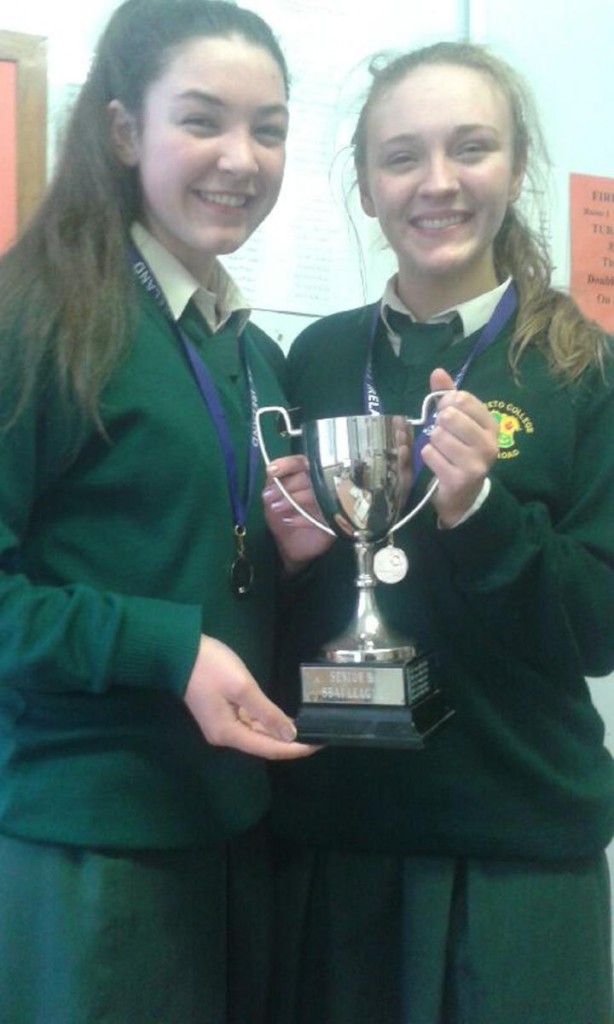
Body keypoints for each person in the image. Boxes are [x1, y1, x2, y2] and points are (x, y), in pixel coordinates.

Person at [263, 41, 614, 1024]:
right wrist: (293, 563)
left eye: (470, 148)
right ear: (367, 189)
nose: (437, 182)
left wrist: (478, 514)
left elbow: (597, 627)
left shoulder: (584, 368)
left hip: (516, 843)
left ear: (514, 168)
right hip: (336, 835)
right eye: (401, 156)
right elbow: (289, 612)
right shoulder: (318, 355)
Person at [0, 1, 315, 1021]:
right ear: (124, 127)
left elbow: (191, 553)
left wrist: (293, 560)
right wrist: (163, 649)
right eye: (202, 120)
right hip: (92, 843)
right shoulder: (38, 318)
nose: (241, 157)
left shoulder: (250, 351)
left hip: (235, 831)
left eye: (266, 127)